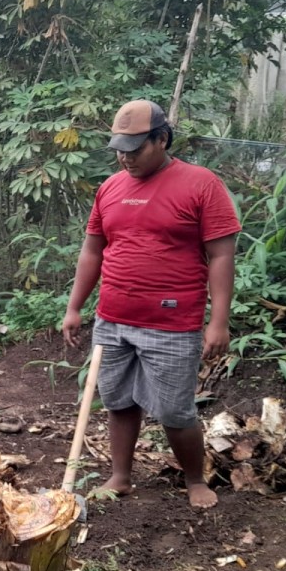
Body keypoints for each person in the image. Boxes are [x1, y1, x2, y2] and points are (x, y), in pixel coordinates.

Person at [62, 100, 240, 509]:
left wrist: (218, 321)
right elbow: (92, 250)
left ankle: (194, 480)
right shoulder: (111, 188)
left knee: (176, 411)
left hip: (172, 323)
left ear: (162, 139)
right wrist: (74, 307)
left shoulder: (201, 184)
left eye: (135, 149)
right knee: (118, 401)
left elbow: (221, 255)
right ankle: (121, 476)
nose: (125, 158)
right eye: (120, 150)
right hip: (113, 319)